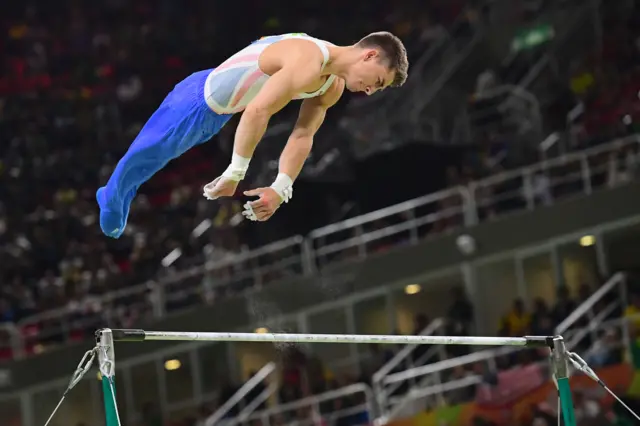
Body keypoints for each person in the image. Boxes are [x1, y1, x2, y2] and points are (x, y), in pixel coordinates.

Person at [96, 32, 409, 238]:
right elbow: (258, 110)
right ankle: (110, 195)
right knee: (144, 159)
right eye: (378, 81)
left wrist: (280, 188)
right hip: (194, 103)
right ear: (368, 56)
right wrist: (236, 172)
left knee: (151, 160)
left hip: (217, 114)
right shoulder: (308, 59)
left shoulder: (332, 86)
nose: (370, 91)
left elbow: (302, 136)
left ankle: (114, 191)